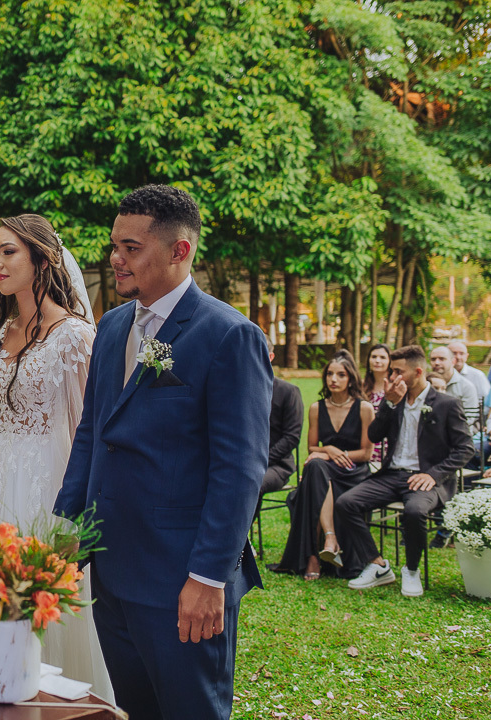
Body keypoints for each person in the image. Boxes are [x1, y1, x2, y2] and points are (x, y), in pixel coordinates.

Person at [54, 185, 271, 719]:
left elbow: (238, 469)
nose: (115, 259)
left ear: (180, 251)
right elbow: (91, 432)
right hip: (110, 568)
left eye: (131, 248)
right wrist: (65, 526)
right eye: (114, 246)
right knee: (135, 709)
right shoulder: (109, 328)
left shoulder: (229, 336)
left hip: (181, 580)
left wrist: (207, 578)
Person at [0, 213, 110, 700]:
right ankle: (1, 691)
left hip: (49, 485)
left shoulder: (76, 337)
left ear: (42, 259)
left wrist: (78, 517)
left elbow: (91, 432)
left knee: (47, 606)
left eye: (8, 252)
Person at [335, 345, 473, 597]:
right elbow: (375, 436)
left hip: (426, 478)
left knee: (414, 510)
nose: (391, 377)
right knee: (346, 502)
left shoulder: (446, 404)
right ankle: (377, 565)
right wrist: (388, 403)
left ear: (417, 371)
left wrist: (433, 475)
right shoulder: (394, 401)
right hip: (391, 475)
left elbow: (465, 449)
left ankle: (411, 570)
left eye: (397, 371)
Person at [272, 351, 373, 580]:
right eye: (329, 374)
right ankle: (326, 542)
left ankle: (313, 555)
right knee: (315, 467)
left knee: (315, 471)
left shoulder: (365, 408)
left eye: (340, 375)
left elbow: (366, 454)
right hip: (324, 470)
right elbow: (312, 448)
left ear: (351, 379)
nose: (333, 380)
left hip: (353, 471)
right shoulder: (317, 408)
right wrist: (328, 450)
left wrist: (336, 454)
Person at [262, 337, 303, 498]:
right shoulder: (238, 389)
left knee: (250, 482)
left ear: (271, 357)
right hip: (242, 462)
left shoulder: (289, 392)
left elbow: (292, 437)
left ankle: (244, 525)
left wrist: (263, 459)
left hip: (277, 465)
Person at [430, 345, 479, 427]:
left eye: (442, 359)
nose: (437, 363)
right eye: (433, 359)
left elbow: (468, 419)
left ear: (453, 362)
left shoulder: (466, 387)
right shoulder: (427, 383)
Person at [363, 344, 391, 464]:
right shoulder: (361, 387)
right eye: (374, 357)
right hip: (364, 443)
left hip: (387, 445)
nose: (377, 361)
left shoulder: (394, 387)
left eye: (382, 357)